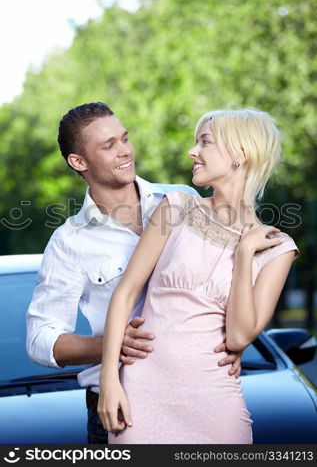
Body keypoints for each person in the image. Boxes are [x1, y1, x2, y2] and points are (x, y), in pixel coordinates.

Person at [26, 102, 241, 444]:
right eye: (108, 146)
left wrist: (235, 340)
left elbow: (224, 281)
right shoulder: (69, 242)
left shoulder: (183, 200)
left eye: (124, 138)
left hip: (202, 398)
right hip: (122, 410)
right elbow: (40, 341)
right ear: (78, 162)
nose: (125, 151)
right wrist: (110, 344)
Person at [97, 107, 299, 444]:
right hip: (141, 399)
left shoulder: (277, 248)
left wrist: (246, 253)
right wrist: (109, 381)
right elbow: (125, 292)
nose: (193, 152)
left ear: (239, 154)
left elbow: (237, 338)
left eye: (204, 142)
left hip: (215, 406)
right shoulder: (175, 207)